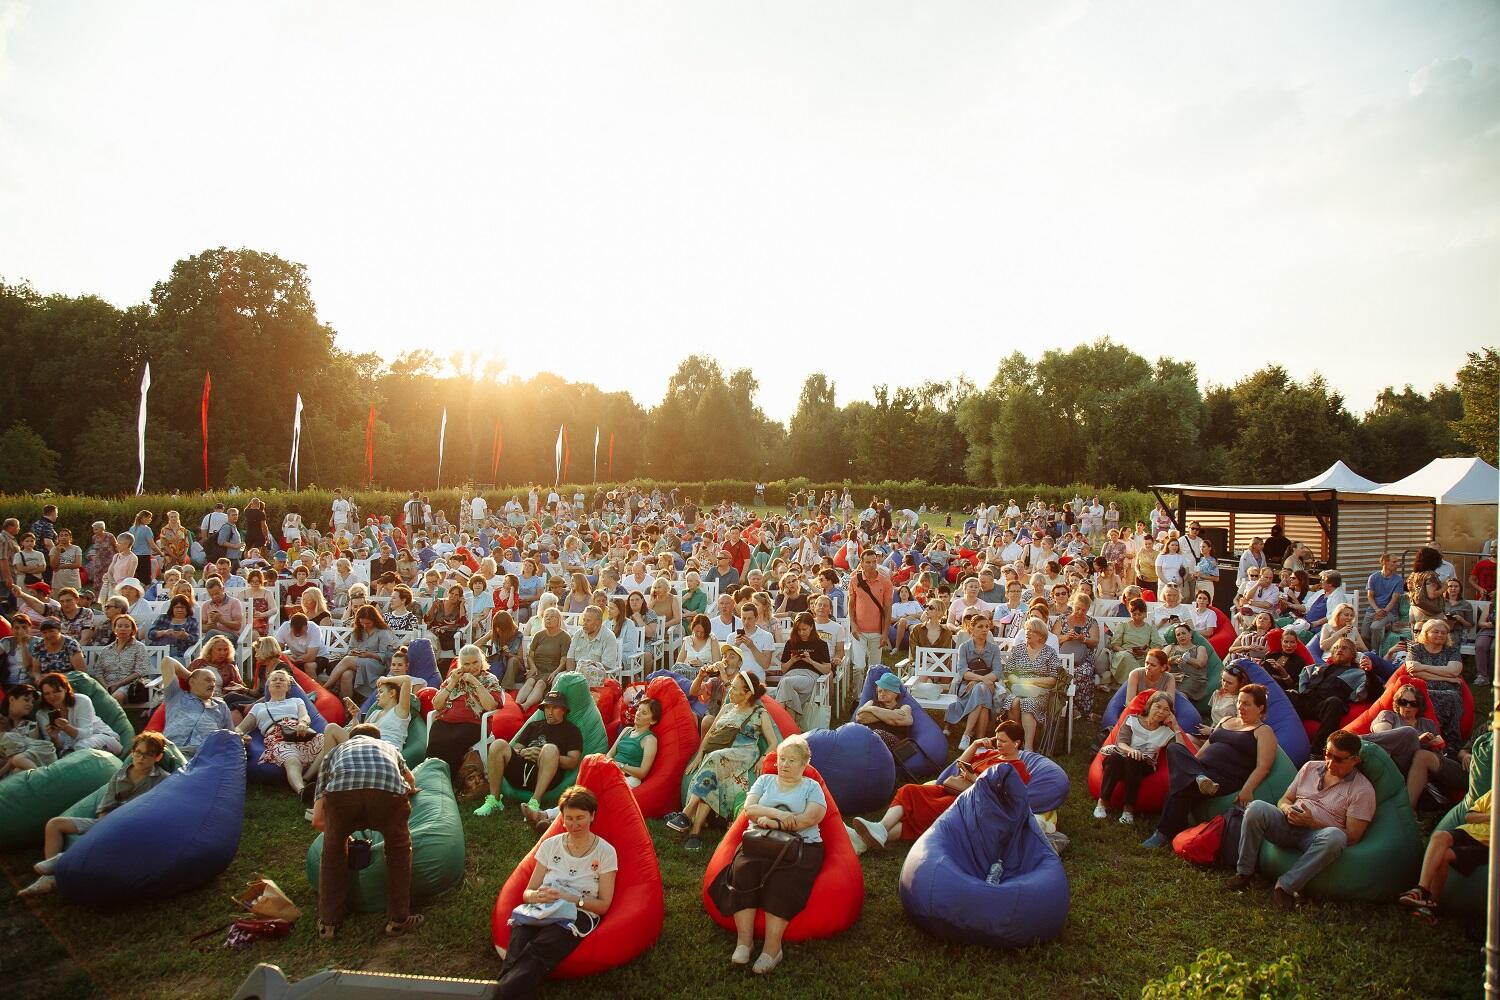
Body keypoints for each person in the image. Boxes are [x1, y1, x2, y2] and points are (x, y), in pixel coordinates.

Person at [705, 733, 827, 975]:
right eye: (782, 759)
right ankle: (744, 942)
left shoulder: (811, 787)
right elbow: (750, 809)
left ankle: (772, 949)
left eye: (792, 761)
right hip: (760, 842)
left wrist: (774, 823)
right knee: (742, 869)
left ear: (805, 765)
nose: (784, 765)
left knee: (783, 879)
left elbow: (811, 818)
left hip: (799, 846)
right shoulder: (765, 781)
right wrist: (781, 816)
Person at [1225, 730, 1375, 910]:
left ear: (1355, 760)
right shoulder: (1310, 767)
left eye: (1338, 759)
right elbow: (1284, 799)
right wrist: (1287, 809)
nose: (1330, 762)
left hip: (1315, 835)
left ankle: (1285, 887)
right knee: (1256, 807)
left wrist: (1312, 823)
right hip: (1288, 823)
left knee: (1336, 837)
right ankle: (1244, 873)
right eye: (1327, 754)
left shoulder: (1362, 790)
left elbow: (1353, 836)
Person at [19, 730, 172, 896]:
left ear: (157, 757)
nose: (141, 758)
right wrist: (105, 823)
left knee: (109, 831)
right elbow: (105, 806)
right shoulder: (120, 775)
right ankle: (49, 877)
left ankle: (62, 861)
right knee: (55, 824)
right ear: (132, 752)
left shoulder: (163, 780)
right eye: (138, 753)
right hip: (108, 821)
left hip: (132, 826)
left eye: (148, 755)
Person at [497, 786, 616, 997]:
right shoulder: (550, 845)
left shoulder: (605, 852)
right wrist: (537, 896)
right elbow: (527, 893)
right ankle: (506, 991)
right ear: (561, 817)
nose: (574, 824)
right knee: (519, 941)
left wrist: (569, 898)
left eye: (580, 817)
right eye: (568, 818)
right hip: (543, 906)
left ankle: (501, 993)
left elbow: (603, 905)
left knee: (540, 948)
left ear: (592, 816)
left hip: (577, 912)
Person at [850, 719, 1029, 853]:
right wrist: (974, 745)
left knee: (928, 810)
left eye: (1003, 741)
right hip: (953, 789)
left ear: (1017, 743)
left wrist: (974, 779)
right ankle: (880, 828)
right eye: (997, 740)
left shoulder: (1017, 768)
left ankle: (864, 840)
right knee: (909, 790)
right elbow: (960, 763)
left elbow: (1003, 797)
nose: (998, 744)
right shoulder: (990, 754)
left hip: (971, 801)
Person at [313, 722, 422, 940]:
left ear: (350, 738)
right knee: (399, 850)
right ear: (378, 737)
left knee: (333, 853)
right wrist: (409, 791)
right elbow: (410, 781)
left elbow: (318, 813)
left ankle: (328, 923)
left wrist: (339, 834)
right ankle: (399, 919)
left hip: (342, 797)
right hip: (386, 796)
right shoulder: (389, 748)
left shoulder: (335, 752)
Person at [1143, 683, 1278, 847]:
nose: (1240, 707)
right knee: (1174, 748)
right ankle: (1196, 778)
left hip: (1222, 778)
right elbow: (1206, 748)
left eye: (1247, 704)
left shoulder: (1263, 731)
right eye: (1239, 702)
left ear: (1260, 708)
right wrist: (1191, 766)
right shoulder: (1226, 720)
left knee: (1181, 787)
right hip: (1201, 771)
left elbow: (1264, 766)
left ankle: (1162, 833)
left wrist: (1247, 789)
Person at [665, 671, 779, 851]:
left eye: (734, 688)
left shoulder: (759, 712)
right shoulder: (726, 708)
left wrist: (764, 757)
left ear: (747, 693)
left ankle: (687, 813)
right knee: (712, 777)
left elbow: (773, 742)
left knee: (714, 758)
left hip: (744, 752)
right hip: (721, 754)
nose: (729, 690)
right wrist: (700, 753)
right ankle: (695, 833)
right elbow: (711, 733)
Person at [476, 687, 584, 817]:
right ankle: (494, 800)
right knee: (498, 744)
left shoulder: (572, 731)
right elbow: (517, 748)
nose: (549, 712)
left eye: (554, 708)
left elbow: (572, 762)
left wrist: (544, 756)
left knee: (550, 749)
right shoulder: (534, 725)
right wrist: (523, 752)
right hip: (520, 771)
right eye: (547, 707)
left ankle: (534, 802)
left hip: (544, 776)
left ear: (564, 710)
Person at [1095, 691, 1190, 824]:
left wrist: (1175, 726)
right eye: (1158, 706)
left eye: (1166, 710)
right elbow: (1121, 743)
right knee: (1116, 757)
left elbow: (1181, 750)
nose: (1161, 711)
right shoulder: (1132, 720)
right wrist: (1132, 751)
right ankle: (1102, 802)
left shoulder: (1167, 732)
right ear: (1149, 706)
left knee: (1133, 761)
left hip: (1144, 767)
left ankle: (1128, 809)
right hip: (1122, 759)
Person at [1401, 788, 1491, 922]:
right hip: (1468, 832)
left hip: (1488, 845)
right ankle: (1421, 890)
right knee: (1439, 836)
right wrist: (1490, 816)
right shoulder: (1493, 793)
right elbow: (1469, 816)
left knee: (1443, 855)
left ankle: (1431, 906)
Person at [234, 668, 323, 798]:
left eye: (282, 680)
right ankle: (302, 791)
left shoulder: (297, 701)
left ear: (288, 686)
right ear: (268, 686)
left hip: (300, 732)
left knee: (331, 736)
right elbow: (240, 728)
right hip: (278, 737)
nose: (278, 682)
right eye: (274, 680)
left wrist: (303, 723)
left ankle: (307, 777)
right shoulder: (259, 707)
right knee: (292, 760)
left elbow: (305, 716)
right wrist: (241, 735)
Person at [426, 643, 502, 781]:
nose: (472, 667)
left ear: (481, 661)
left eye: (475, 662)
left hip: (474, 722)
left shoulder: (489, 679)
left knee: (453, 741)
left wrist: (475, 682)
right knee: (437, 740)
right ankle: (431, 777)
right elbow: (437, 705)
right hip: (446, 720)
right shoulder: (454, 678)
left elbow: (490, 706)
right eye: (467, 664)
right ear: (461, 664)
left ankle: (450, 779)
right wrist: (452, 682)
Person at [944, 612, 1009, 751]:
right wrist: (983, 679)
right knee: (983, 692)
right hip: (966, 687)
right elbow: (963, 672)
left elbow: (997, 672)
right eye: (980, 627)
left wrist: (980, 681)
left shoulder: (993, 648)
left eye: (987, 626)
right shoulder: (965, 647)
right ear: (971, 629)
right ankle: (980, 741)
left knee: (981, 690)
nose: (985, 629)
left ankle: (967, 735)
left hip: (987, 686)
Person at [1406, 620, 1466, 749]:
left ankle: (1451, 743)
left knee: (1452, 697)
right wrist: (1448, 677)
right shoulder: (1416, 648)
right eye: (1436, 632)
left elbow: (1454, 670)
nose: (1440, 635)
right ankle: (1433, 738)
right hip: (1424, 687)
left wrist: (1422, 667)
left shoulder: (1451, 650)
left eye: (1443, 632)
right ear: (1426, 633)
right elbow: (1414, 672)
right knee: (1432, 697)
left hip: (1449, 689)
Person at [1006, 616, 1062, 750]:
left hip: (1040, 693)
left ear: (1041, 636)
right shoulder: (1018, 650)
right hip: (1019, 689)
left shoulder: (1049, 652)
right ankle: (1015, 742)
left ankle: (1028, 747)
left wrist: (1029, 681)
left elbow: (1052, 680)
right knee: (1013, 702)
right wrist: (1019, 681)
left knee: (1027, 702)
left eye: (1032, 631)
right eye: (1027, 629)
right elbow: (1009, 672)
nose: (1027, 633)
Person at [36, 671, 122, 755]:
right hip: (72, 750)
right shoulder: (42, 714)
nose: (52, 696)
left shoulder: (81, 701)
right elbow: (58, 748)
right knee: (66, 754)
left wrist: (67, 727)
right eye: (47, 694)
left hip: (101, 737)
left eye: (56, 691)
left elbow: (86, 734)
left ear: (65, 689)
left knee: (81, 746)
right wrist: (54, 737)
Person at [848, 548, 893, 691]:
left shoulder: (885, 582)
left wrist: (885, 633)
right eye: (868, 562)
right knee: (859, 666)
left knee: (875, 669)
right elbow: (851, 605)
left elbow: (887, 609)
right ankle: (857, 697)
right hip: (859, 631)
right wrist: (853, 625)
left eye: (874, 562)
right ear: (861, 563)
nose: (872, 565)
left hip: (877, 631)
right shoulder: (855, 580)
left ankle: (872, 695)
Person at [775, 611, 831, 725]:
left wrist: (811, 661)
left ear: (811, 627)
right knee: (791, 695)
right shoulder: (791, 643)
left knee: (785, 683)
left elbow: (827, 669)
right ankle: (792, 729)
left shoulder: (820, 644)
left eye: (804, 629)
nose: (801, 633)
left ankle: (776, 720)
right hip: (790, 675)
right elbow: (784, 669)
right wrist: (792, 660)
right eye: (798, 630)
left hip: (808, 676)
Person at [854, 671, 914, 763]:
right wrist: (891, 714)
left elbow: (904, 720)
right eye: (879, 691)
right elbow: (860, 717)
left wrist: (872, 711)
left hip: (896, 747)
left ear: (895, 693)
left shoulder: (904, 707)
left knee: (877, 734)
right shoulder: (871, 703)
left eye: (886, 690)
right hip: (869, 742)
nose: (881, 693)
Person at [1108, 598, 1156, 689]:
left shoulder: (1150, 628)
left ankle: (1137, 685)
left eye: (1140, 614)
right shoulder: (1123, 625)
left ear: (1145, 614)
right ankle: (1143, 684)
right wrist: (1127, 651)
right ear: (1130, 613)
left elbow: (1156, 647)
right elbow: (1115, 645)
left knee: (1150, 660)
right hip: (1124, 656)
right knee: (1126, 656)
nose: (1137, 617)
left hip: (1143, 657)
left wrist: (1146, 651)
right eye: (1134, 614)